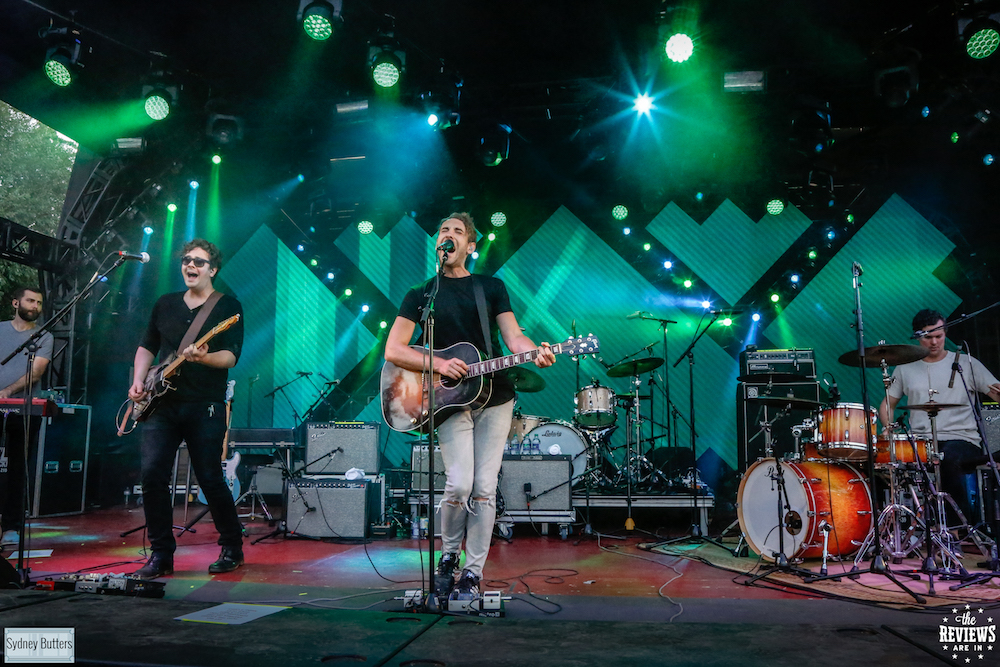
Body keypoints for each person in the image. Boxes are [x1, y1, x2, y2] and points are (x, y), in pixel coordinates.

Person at [384, 212, 555, 599]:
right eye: (443, 230)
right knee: (459, 484)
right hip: (448, 402)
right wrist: (439, 364)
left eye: (457, 232)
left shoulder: (490, 287)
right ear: (437, 244)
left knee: (483, 488)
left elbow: (514, 338)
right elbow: (394, 350)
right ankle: (448, 557)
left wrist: (537, 351)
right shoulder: (421, 293)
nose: (448, 235)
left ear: (471, 246)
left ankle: (473, 572)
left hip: (495, 398)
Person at [128, 239, 245, 578]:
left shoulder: (227, 306)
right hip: (160, 403)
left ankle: (232, 545)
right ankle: (161, 554)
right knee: (152, 476)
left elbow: (231, 357)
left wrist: (203, 356)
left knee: (209, 476)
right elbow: (146, 346)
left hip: (203, 404)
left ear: (212, 269)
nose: (189, 266)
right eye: (186, 260)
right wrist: (138, 381)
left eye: (198, 261)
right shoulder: (164, 304)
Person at [878, 308, 1000, 532]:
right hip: (920, 441)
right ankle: (903, 528)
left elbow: (995, 394)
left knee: (947, 458)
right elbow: (888, 403)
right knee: (884, 462)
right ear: (917, 336)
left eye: (939, 336)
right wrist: (888, 428)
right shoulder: (905, 367)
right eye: (927, 337)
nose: (934, 342)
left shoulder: (966, 363)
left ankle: (956, 530)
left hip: (962, 439)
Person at [0, 287, 53, 546]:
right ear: (15, 302)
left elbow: (36, 372)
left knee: (18, 468)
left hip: (24, 409)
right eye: (30, 300)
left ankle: (11, 526)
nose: (35, 306)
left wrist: (7, 390)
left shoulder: (44, 336)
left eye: (39, 302)